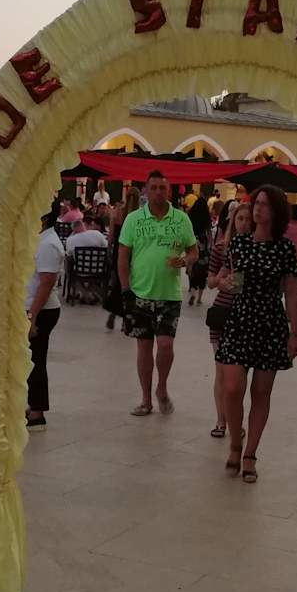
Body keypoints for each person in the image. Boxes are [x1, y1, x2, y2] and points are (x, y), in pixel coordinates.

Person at [216, 185, 297, 482]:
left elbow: (292, 293)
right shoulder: (240, 244)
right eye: (256, 204)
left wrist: (294, 333)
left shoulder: (285, 248)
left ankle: (250, 454)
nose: (258, 209)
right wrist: (226, 284)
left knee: (261, 393)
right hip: (240, 320)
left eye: (264, 204)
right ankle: (235, 443)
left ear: (276, 211)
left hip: (270, 323)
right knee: (232, 387)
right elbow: (234, 281)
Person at [118, 169, 198, 415]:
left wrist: (184, 261)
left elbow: (194, 251)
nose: (158, 192)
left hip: (169, 295)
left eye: (162, 187)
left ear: (169, 191)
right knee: (143, 348)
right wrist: (126, 291)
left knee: (165, 345)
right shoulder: (133, 219)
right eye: (153, 187)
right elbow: (123, 257)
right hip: (140, 293)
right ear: (146, 190)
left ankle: (161, 387)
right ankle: (146, 399)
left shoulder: (181, 219)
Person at [206, 198, 252, 437]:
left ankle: (235, 420)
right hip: (222, 313)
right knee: (221, 371)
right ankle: (221, 420)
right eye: (240, 219)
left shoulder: (257, 251)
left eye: (248, 220)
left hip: (246, 316)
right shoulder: (221, 248)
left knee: (238, 376)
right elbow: (210, 281)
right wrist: (221, 281)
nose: (243, 224)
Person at [25, 204, 64, 429]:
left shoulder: (48, 244)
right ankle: (34, 404)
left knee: (36, 360)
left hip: (41, 310)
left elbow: (46, 283)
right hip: (34, 307)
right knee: (31, 359)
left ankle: (37, 410)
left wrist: (32, 316)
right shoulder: (40, 239)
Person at [102, 188, 139, 331]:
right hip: (134, 253)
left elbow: (111, 235)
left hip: (119, 251)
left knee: (118, 283)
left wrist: (109, 251)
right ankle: (126, 319)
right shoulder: (139, 215)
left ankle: (113, 313)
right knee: (132, 286)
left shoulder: (117, 212)